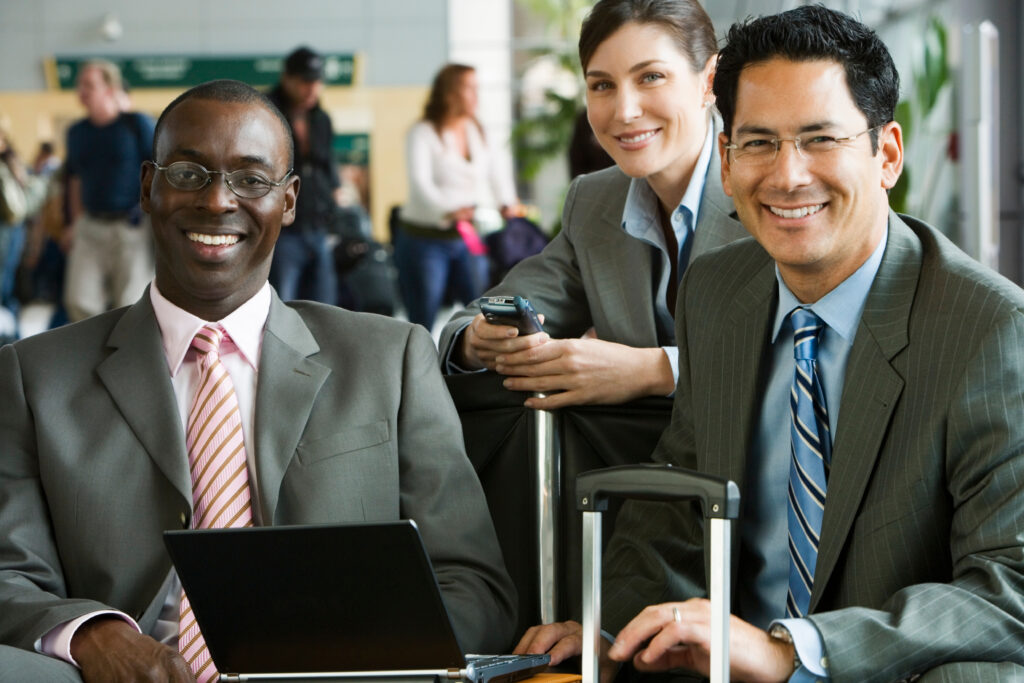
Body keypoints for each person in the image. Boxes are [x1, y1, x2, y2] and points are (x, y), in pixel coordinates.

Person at [515, 6, 1024, 681]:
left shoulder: (987, 324)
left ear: (888, 154)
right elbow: (678, 498)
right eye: (758, 142)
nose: (787, 176)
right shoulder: (717, 293)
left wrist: (793, 649)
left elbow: (1008, 586)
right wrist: (611, 629)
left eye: (820, 139)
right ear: (725, 163)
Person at [0, 79, 516, 682]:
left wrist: (356, 658)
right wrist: (91, 635)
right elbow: (10, 572)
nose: (218, 201)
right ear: (149, 186)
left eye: (251, 179)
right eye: (189, 173)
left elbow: (473, 582)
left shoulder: (391, 359)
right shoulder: (34, 377)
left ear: (290, 200)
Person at [439, 0, 747, 410]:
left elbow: (806, 353)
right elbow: (467, 325)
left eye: (651, 77)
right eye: (602, 85)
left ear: (709, 80)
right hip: (632, 466)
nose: (625, 111)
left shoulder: (765, 188)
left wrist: (654, 370)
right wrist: (479, 342)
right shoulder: (594, 201)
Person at [395, 63, 521, 332]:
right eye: (470, 89)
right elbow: (420, 184)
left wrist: (507, 203)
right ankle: (418, 370)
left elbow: (496, 171)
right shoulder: (422, 132)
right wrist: (451, 210)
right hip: (424, 239)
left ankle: (473, 369)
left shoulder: (477, 130)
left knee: (479, 309)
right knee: (423, 317)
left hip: (466, 238)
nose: (477, 96)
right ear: (450, 93)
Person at [62, 59, 155, 323]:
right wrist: (73, 221)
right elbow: (74, 179)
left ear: (110, 89)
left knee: (131, 303)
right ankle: (92, 357)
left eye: (89, 84)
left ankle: (128, 359)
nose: (81, 90)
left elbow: (158, 172)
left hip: (132, 226)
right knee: (79, 300)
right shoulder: (77, 132)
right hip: (90, 226)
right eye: (80, 84)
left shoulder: (136, 124)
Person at [267, 46, 341, 306]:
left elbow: (327, 164)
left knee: (324, 306)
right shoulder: (265, 114)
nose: (313, 89)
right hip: (282, 230)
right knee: (280, 305)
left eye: (317, 82)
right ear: (287, 78)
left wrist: (335, 195)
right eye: (305, 82)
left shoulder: (321, 119)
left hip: (319, 226)